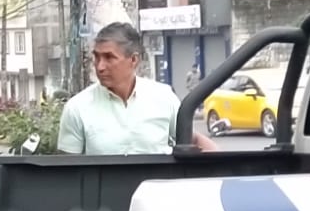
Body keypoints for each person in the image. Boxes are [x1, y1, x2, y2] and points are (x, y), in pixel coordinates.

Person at [57, 23, 215, 154]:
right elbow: (68, 170)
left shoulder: (163, 97)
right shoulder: (77, 108)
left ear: (133, 60)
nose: (100, 67)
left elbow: (192, 140)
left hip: (156, 183)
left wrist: (220, 167)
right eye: (97, 57)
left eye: (109, 57)